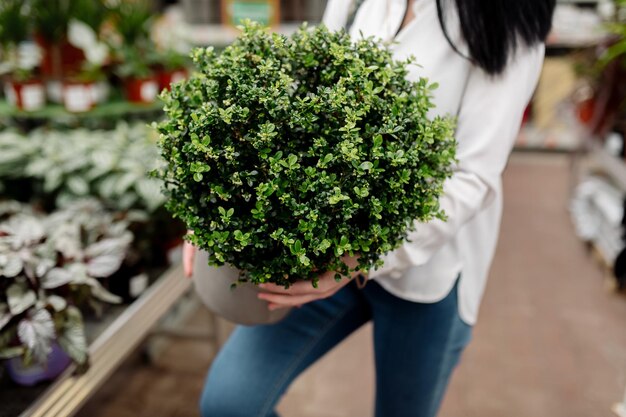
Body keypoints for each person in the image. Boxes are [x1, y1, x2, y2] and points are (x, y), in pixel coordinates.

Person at [187, 0, 556, 416]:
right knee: (229, 403)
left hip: (428, 275)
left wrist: (358, 258)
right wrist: (213, 206)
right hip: (323, 250)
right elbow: (310, 97)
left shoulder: (507, 24)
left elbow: (472, 179)